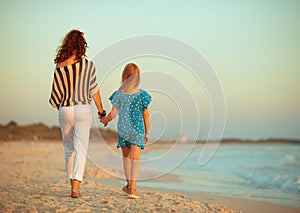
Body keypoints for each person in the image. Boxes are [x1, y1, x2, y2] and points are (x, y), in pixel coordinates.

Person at [49, 29, 106, 198]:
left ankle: (71, 183)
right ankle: (75, 188)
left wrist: (64, 106)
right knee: (81, 148)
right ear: (82, 45)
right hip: (83, 109)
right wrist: (101, 111)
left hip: (65, 109)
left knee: (68, 149)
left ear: (66, 44)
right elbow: (95, 91)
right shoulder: (88, 65)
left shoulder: (59, 66)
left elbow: (56, 94)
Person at [100, 63, 151, 199]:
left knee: (126, 159)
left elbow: (113, 114)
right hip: (138, 129)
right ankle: (133, 188)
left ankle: (129, 186)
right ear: (137, 78)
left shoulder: (119, 94)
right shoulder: (142, 95)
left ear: (124, 76)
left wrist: (105, 120)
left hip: (123, 129)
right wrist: (147, 132)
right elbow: (146, 115)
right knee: (135, 160)